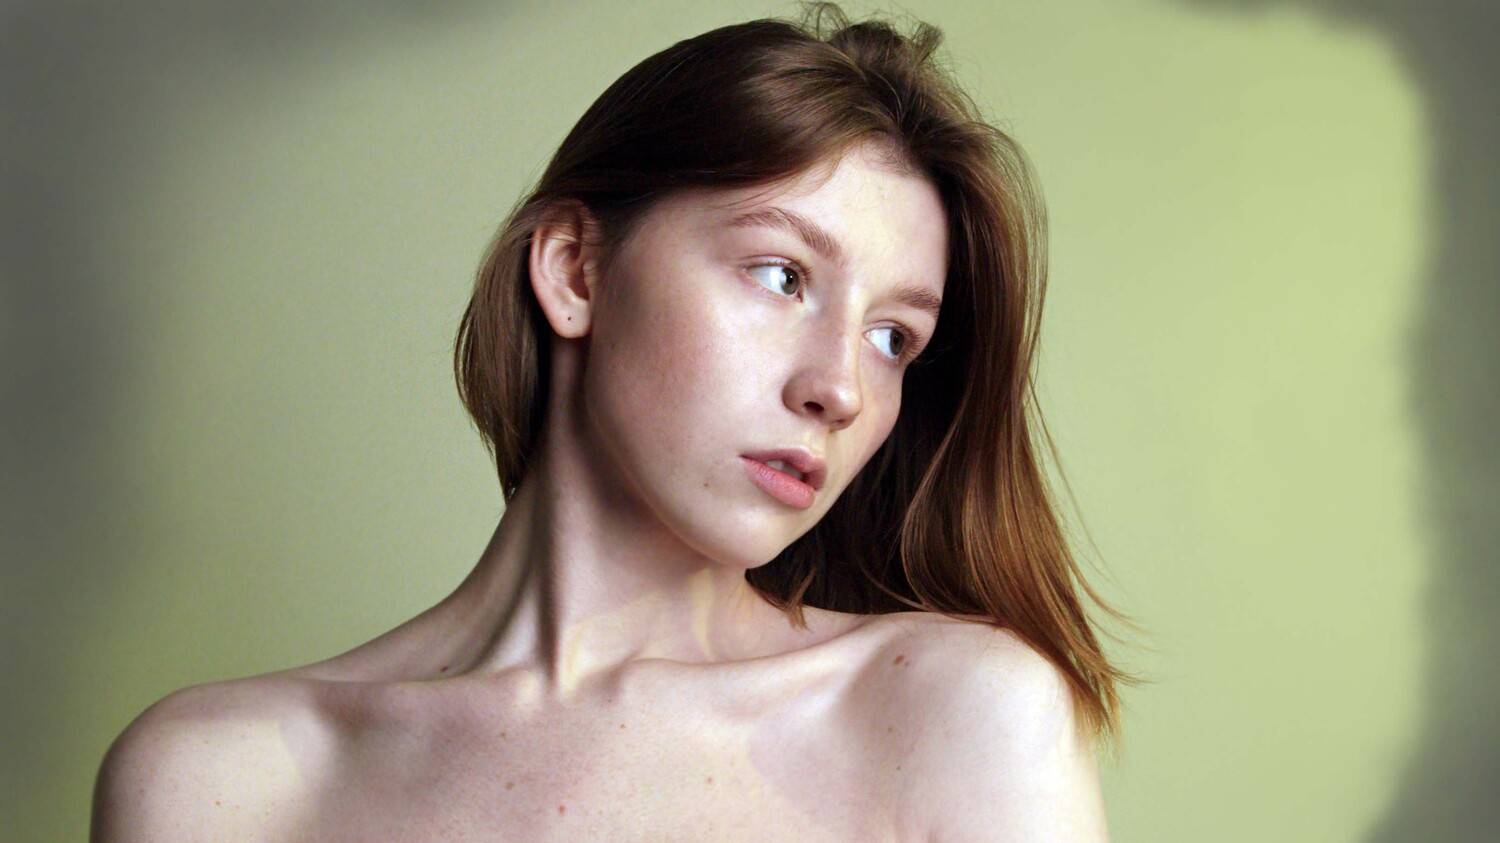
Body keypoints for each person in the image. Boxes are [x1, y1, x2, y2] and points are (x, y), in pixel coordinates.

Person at [91, 3, 1140, 840]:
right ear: (575, 270)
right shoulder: (213, 782)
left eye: (893, 337)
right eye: (781, 276)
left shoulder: (953, 714)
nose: (842, 389)